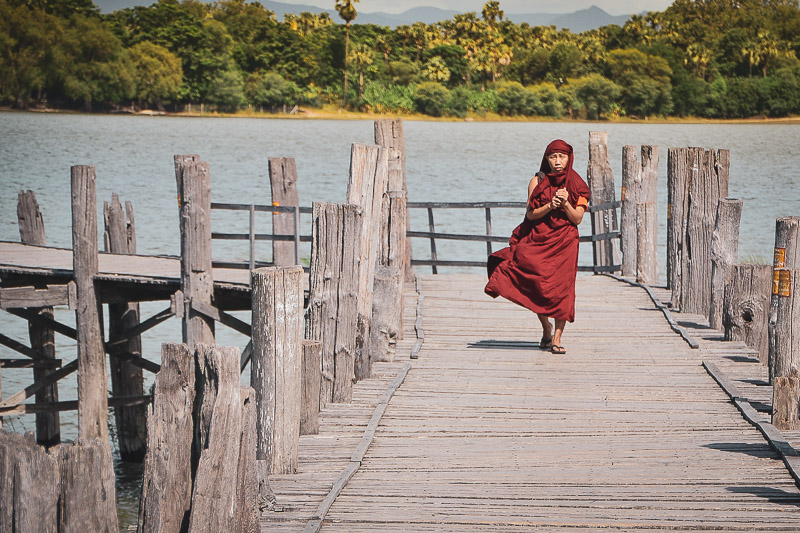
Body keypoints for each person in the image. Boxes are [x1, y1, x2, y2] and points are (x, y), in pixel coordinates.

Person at [484, 139, 590, 355]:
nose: (558, 161)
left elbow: (577, 219)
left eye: (562, 156)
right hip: (539, 238)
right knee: (537, 285)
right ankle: (546, 327)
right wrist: (551, 205)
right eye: (553, 157)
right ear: (546, 159)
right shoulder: (536, 181)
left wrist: (566, 204)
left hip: (565, 241)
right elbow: (530, 214)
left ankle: (557, 338)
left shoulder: (578, 184)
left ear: (569, 158)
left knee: (563, 289)